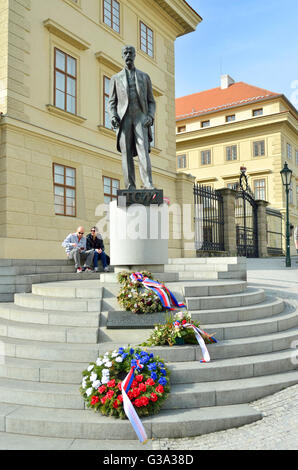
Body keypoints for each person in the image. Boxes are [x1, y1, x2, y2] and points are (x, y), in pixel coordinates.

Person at [108, 45, 156, 190]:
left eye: (130, 52)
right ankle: (130, 186)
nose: (128, 55)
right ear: (122, 56)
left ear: (135, 55)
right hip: (124, 118)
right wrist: (113, 116)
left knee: (143, 151)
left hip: (140, 116)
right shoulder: (115, 78)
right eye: (125, 53)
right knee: (126, 153)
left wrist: (150, 116)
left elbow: (151, 102)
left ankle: (147, 184)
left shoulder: (144, 77)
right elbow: (112, 102)